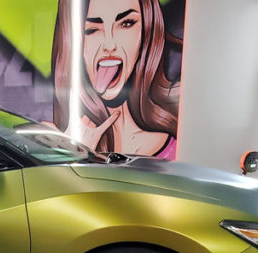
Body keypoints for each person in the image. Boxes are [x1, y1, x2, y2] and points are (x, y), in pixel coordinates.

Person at [52, 0, 181, 159]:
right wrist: (75, 155)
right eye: (91, 30)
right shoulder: (51, 137)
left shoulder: (175, 143)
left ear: (147, 31)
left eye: (126, 23)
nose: (109, 44)